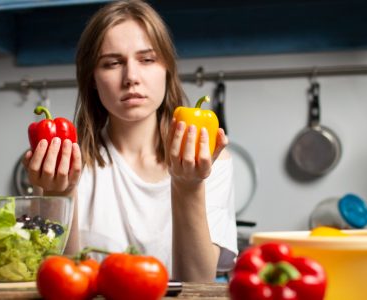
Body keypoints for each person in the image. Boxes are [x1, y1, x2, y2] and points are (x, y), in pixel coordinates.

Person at [23, 0, 237, 282]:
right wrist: (58, 197)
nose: (131, 78)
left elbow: (198, 284)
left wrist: (189, 186)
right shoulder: (65, 164)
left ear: (167, 70)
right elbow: (61, 281)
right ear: (92, 80)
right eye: (112, 63)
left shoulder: (208, 158)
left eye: (147, 60)